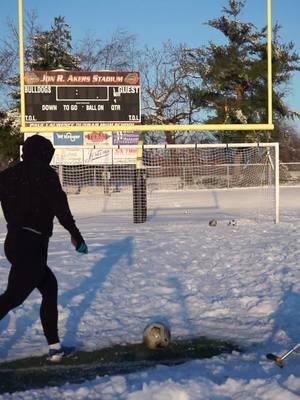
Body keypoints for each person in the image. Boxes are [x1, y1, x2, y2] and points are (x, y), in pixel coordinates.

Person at [0, 135, 88, 362]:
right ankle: (55, 348)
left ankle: (55, 347)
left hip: (14, 243)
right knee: (12, 299)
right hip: (32, 245)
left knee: (49, 287)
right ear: (44, 154)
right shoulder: (46, 174)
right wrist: (76, 236)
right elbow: (61, 209)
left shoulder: (7, 175)